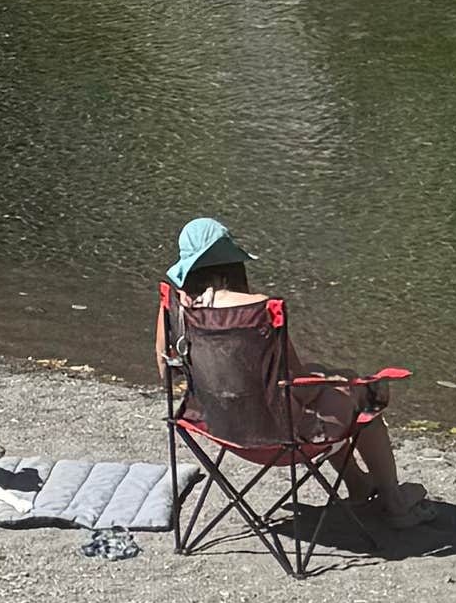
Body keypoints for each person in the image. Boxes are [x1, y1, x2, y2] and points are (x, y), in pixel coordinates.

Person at [164, 213, 410, 525]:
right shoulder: (256, 310)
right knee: (363, 394)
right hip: (278, 437)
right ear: (231, 263)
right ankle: (395, 503)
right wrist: (335, 381)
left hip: (219, 427)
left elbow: (166, 370)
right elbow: (301, 389)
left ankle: (358, 486)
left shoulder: (178, 309)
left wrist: (323, 375)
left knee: (325, 379)